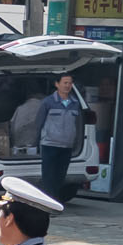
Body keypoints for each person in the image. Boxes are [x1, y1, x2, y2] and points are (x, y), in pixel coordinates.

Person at [36, 71, 89, 199]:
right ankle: (48, 201)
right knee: (49, 176)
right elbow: (39, 122)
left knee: (60, 176)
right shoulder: (48, 102)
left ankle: (56, 201)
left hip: (67, 146)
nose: (67, 86)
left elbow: (77, 124)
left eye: (70, 83)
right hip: (50, 144)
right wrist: (36, 142)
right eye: (65, 83)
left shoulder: (75, 103)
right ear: (57, 84)